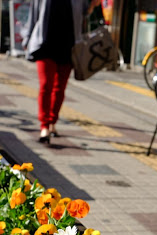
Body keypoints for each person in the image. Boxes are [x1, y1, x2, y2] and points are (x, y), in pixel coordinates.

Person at [22, 0, 100, 143]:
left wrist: (93, 4)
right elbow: (33, 15)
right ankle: (44, 126)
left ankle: (52, 122)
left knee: (60, 88)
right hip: (45, 45)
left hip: (69, 48)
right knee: (46, 85)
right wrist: (27, 39)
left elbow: (85, 12)